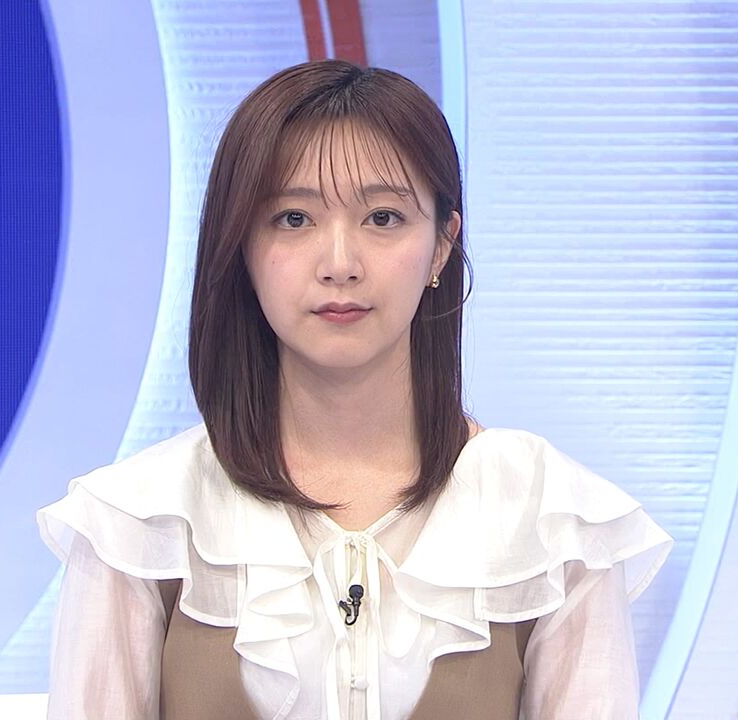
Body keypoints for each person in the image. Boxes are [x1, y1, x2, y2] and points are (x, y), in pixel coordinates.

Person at [36, 59, 673, 719]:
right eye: (293, 218)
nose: (339, 264)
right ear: (240, 246)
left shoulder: (554, 521)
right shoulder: (138, 522)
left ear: (442, 245)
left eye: (384, 217)